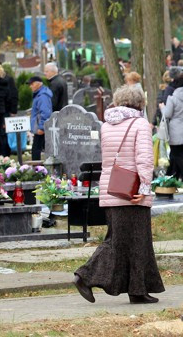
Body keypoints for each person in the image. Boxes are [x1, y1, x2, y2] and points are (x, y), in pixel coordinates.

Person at [73, 85, 164, 305]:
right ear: (140, 102)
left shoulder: (107, 125)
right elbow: (143, 159)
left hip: (112, 188)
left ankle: (137, 289)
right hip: (131, 191)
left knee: (133, 242)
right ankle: (84, 276)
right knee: (121, 242)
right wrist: (144, 189)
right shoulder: (140, 124)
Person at [162, 72, 183, 182]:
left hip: (175, 129)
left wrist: (162, 108)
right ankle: (171, 178)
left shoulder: (172, 98)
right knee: (178, 155)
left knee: (177, 155)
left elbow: (167, 114)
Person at [29, 76, 53, 160]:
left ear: (38, 84)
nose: (30, 86)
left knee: (36, 149)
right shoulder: (39, 94)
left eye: (32, 84)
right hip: (39, 126)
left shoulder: (42, 96)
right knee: (40, 148)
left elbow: (46, 113)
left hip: (40, 127)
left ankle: (37, 170)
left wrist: (42, 127)